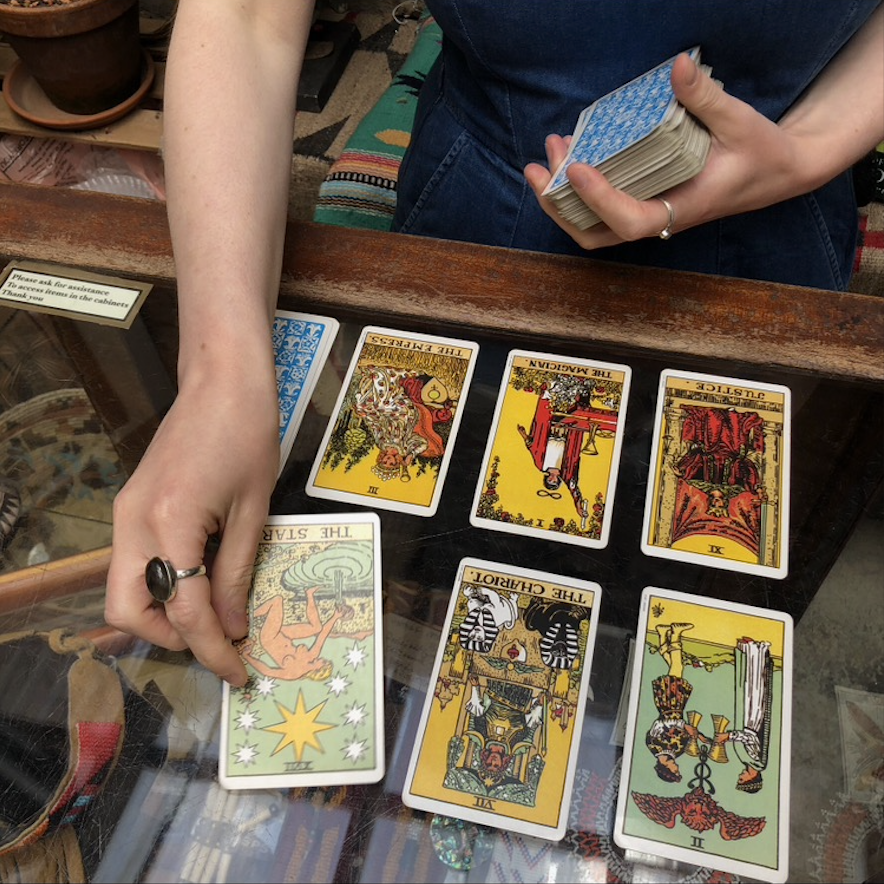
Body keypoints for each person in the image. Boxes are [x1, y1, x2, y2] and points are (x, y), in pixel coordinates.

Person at [105, 0, 884, 686]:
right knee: (464, 570)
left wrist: (813, 148)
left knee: (701, 582)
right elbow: (246, 16)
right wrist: (220, 376)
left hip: (771, 249)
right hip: (482, 232)